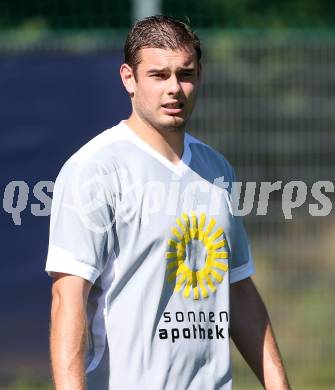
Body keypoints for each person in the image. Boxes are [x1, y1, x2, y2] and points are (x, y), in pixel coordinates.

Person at [46, 15, 290, 390]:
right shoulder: (94, 169)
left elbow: (238, 289)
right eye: (159, 75)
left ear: (199, 76)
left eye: (185, 74)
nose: (174, 88)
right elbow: (68, 298)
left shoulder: (216, 168)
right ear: (129, 78)